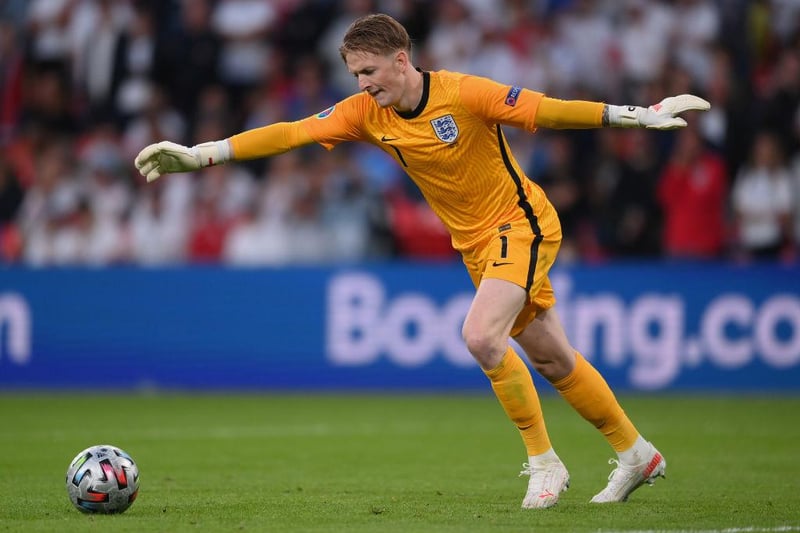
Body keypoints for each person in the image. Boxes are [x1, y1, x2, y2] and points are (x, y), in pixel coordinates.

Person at [134, 13, 710, 508]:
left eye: (369, 71)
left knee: (482, 338)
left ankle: (544, 463)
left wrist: (635, 114)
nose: (362, 84)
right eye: (355, 74)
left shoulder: (464, 92)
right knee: (555, 360)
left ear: (401, 60)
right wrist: (203, 154)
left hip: (522, 223)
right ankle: (636, 454)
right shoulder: (365, 112)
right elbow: (290, 133)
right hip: (476, 248)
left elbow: (548, 111)